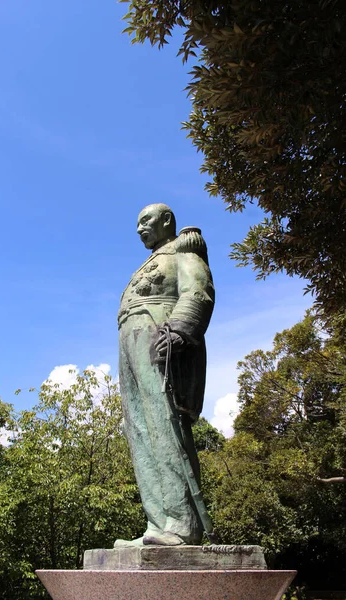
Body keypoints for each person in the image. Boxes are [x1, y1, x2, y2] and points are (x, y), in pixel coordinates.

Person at [116, 203, 215, 547]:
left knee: (164, 424)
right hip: (131, 338)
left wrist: (179, 330)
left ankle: (182, 524)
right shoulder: (151, 258)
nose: (139, 228)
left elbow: (197, 291)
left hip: (159, 334)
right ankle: (157, 524)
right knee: (139, 429)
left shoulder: (184, 248)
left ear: (166, 221)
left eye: (145, 221)